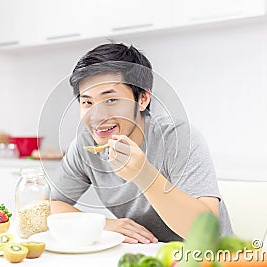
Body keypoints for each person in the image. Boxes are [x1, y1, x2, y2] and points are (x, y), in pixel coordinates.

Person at [49, 42, 233, 243]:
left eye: (111, 100)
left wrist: (144, 174)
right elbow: (51, 204)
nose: (97, 116)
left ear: (143, 98)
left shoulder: (178, 139)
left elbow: (207, 232)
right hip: (142, 257)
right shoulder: (86, 146)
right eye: (87, 102)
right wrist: (104, 224)